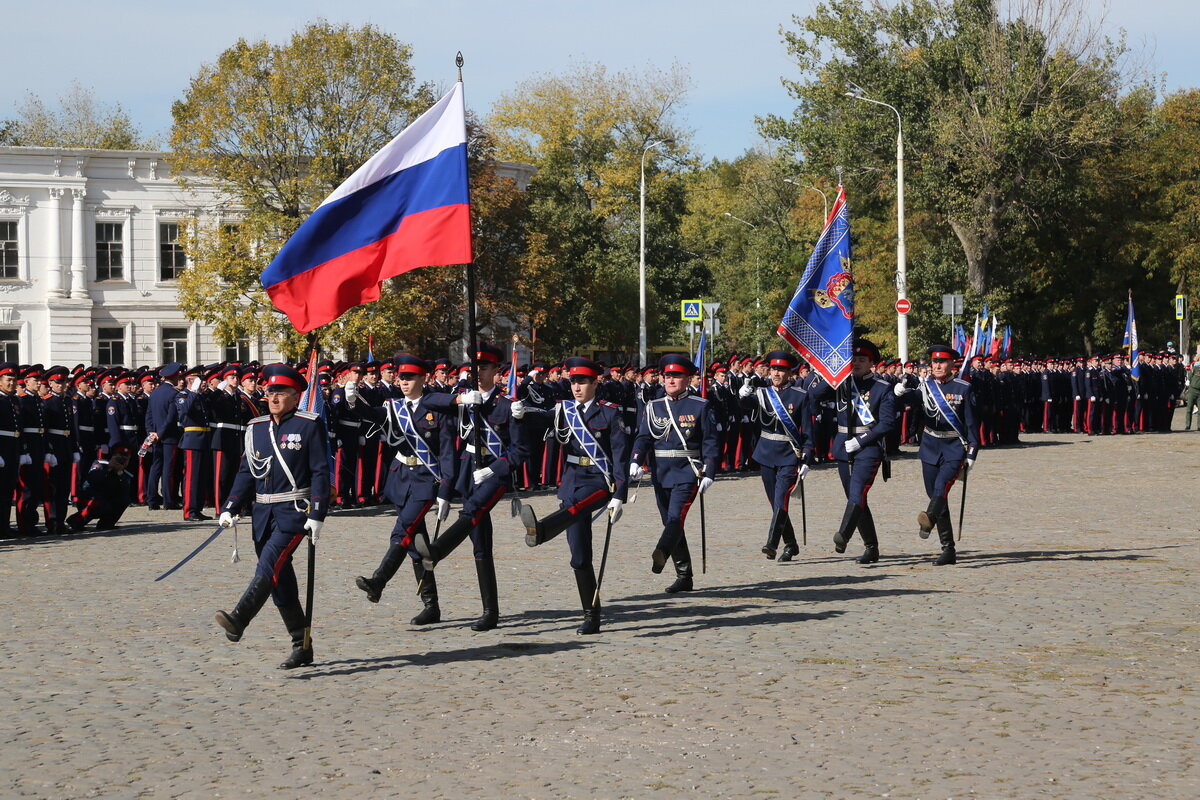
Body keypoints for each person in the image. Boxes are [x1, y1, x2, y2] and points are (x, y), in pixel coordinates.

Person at [214, 364, 330, 670]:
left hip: (294, 511)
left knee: (269, 564)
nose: (274, 397)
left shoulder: (309, 424)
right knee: (281, 581)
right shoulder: (255, 427)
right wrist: (231, 506)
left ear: (296, 396)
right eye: (271, 392)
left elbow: (320, 470)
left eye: (282, 392)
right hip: (263, 512)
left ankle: (240, 617)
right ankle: (301, 645)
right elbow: (246, 471)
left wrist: (318, 512)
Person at [413, 342, 528, 632]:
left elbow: (519, 451)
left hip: (495, 474)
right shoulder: (463, 398)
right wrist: (460, 402)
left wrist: (494, 468)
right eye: (473, 368)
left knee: (473, 510)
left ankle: (436, 551)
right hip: (468, 470)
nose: (478, 373)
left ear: (496, 371)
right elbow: (426, 401)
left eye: (484, 368)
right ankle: (490, 611)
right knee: (480, 539)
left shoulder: (506, 405)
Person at [519, 356, 629, 634]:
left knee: (579, 506)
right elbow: (539, 420)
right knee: (579, 555)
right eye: (573, 382)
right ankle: (591, 614)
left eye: (582, 382)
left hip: (599, 482)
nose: (577, 387)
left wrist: (620, 495)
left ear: (595, 383)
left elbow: (619, 457)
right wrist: (519, 413)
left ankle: (542, 530)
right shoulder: (562, 410)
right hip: (572, 481)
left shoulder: (609, 413)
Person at [351, 355, 458, 626]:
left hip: (425, 480)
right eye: (401, 378)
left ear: (424, 379)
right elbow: (370, 414)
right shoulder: (394, 406)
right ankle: (431, 605)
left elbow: (447, 452)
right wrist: (352, 399)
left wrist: (446, 489)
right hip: (400, 478)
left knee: (403, 530)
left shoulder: (437, 409)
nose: (404, 383)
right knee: (415, 545)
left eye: (410, 378)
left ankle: (379, 580)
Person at [630, 354, 720, 593]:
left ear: (688, 378)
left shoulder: (700, 405)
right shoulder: (654, 406)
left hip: (687, 471)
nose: (670, 380)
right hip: (661, 473)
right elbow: (644, 437)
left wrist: (710, 470)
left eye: (676, 376)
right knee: (669, 521)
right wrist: (636, 460)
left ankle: (661, 552)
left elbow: (710, 440)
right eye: (667, 375)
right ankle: (684, 575)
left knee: (675, 519)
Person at [806, 339, 895, 564]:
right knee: (855, 498)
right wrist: (833, 373)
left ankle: (843, 534)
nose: (856, 363)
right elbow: (814, 397)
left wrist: (862, 440)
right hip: (843, 444)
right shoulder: (841, 384)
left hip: (868, 447)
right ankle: (871, 547)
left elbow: (886, 424)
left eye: (862, 360)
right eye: (853, 359)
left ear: (871, 363)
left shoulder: (882, 388)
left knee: (857, 493)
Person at [895, 344, 979, 565]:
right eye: (934, 362)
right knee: (936, 496)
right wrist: (900, 393)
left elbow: (971, 423)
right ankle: (948, 549)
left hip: (954, 447)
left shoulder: (964, 388)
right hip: (930, 446)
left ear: (952, 364)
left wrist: (972, 452)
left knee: (941, 489)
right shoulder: (925, 387)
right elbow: (909, 401)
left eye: (942, 362)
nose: (938, 365)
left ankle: (928, 519)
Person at [737, 350, 809, 562]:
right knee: (774, 502)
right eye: (774, 369)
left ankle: (771, 543)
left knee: (781, 500)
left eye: (781, 369)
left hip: (788, 454)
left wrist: (807, 457)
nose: (776, 373)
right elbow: (745, 404)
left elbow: (808, 432)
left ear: (789, 372)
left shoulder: (800, 396)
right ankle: (791, 544)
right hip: (766, 453)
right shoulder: (762, 393)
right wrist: (743, 394)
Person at [65, 444, 134, 532]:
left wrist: (119, 473)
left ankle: (106, 523)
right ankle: (76, 520)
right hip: (89, 498)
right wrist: (109, 469)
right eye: (119, 456)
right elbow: (93, 481)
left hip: (105, 500)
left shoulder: (125, 472)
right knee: (98, 500)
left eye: (126, 457)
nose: (122, 459)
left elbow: (125, 491)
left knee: (124, 499)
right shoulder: (100, 464)